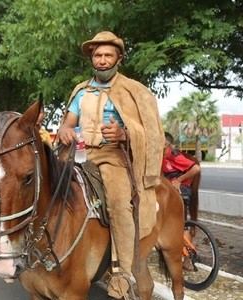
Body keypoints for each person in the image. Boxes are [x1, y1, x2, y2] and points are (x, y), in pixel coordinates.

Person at [57, 31, 164, 299]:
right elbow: (69, 122)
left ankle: (122, 273)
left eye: (108, 55)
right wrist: (65, 130)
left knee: (118, 204)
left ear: (118, 59)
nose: (102, 60)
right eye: (98, 55)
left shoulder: (132, 90)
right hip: (83, 155)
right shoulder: (81, 91)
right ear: (92, 59)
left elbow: (150, 131)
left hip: (116, 156)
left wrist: (125, 134)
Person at [162, 132, 201, 271]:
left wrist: (178, 180)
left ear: (166, 144)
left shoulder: (175, 156)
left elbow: (196, 168)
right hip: (170, 194)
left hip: (181, 192)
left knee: (181, 226)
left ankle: (187, 259)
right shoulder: (162, 157)